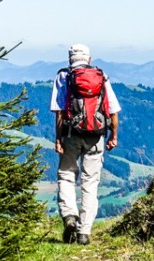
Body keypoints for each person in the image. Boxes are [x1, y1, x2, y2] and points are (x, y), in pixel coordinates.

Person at [50, 44, 121, 244]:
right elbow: (113, 110)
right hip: (96, 135)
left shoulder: (63, 77)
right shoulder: (101, 75)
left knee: (66, 175)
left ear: (69, 59)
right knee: (90, 183)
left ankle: (70, 216)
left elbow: (59, 111)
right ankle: (84, 233)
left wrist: (58, 138)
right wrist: (113, 135)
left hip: (71, 134)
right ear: (89, 59)